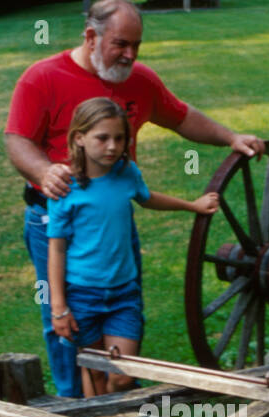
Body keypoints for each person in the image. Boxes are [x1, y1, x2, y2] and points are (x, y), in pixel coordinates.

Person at [4, 0, 264, 397]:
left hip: (113, 221)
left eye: (136, 46)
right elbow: (17, 139)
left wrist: (230, 137)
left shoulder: (140, 80)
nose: (130, 55)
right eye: (120, 44)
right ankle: (75, 409)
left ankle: (121, 398)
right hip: (54, 220)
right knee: (65, 318)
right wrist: (43, 171)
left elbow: (180, 115)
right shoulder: (42, 78)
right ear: (91, 37)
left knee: (120, 307)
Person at [48, 98, 218, 397]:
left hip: (123, 293)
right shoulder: (65, 188)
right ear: (79, 138)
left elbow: (147, 197)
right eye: (102, 138)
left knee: (123, 375)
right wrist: (59, 307)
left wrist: (192, 206)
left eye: (119, 138)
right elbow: (57, 250)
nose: (112, 146)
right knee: (95, 374)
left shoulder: (126, 173)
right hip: (83, 293)